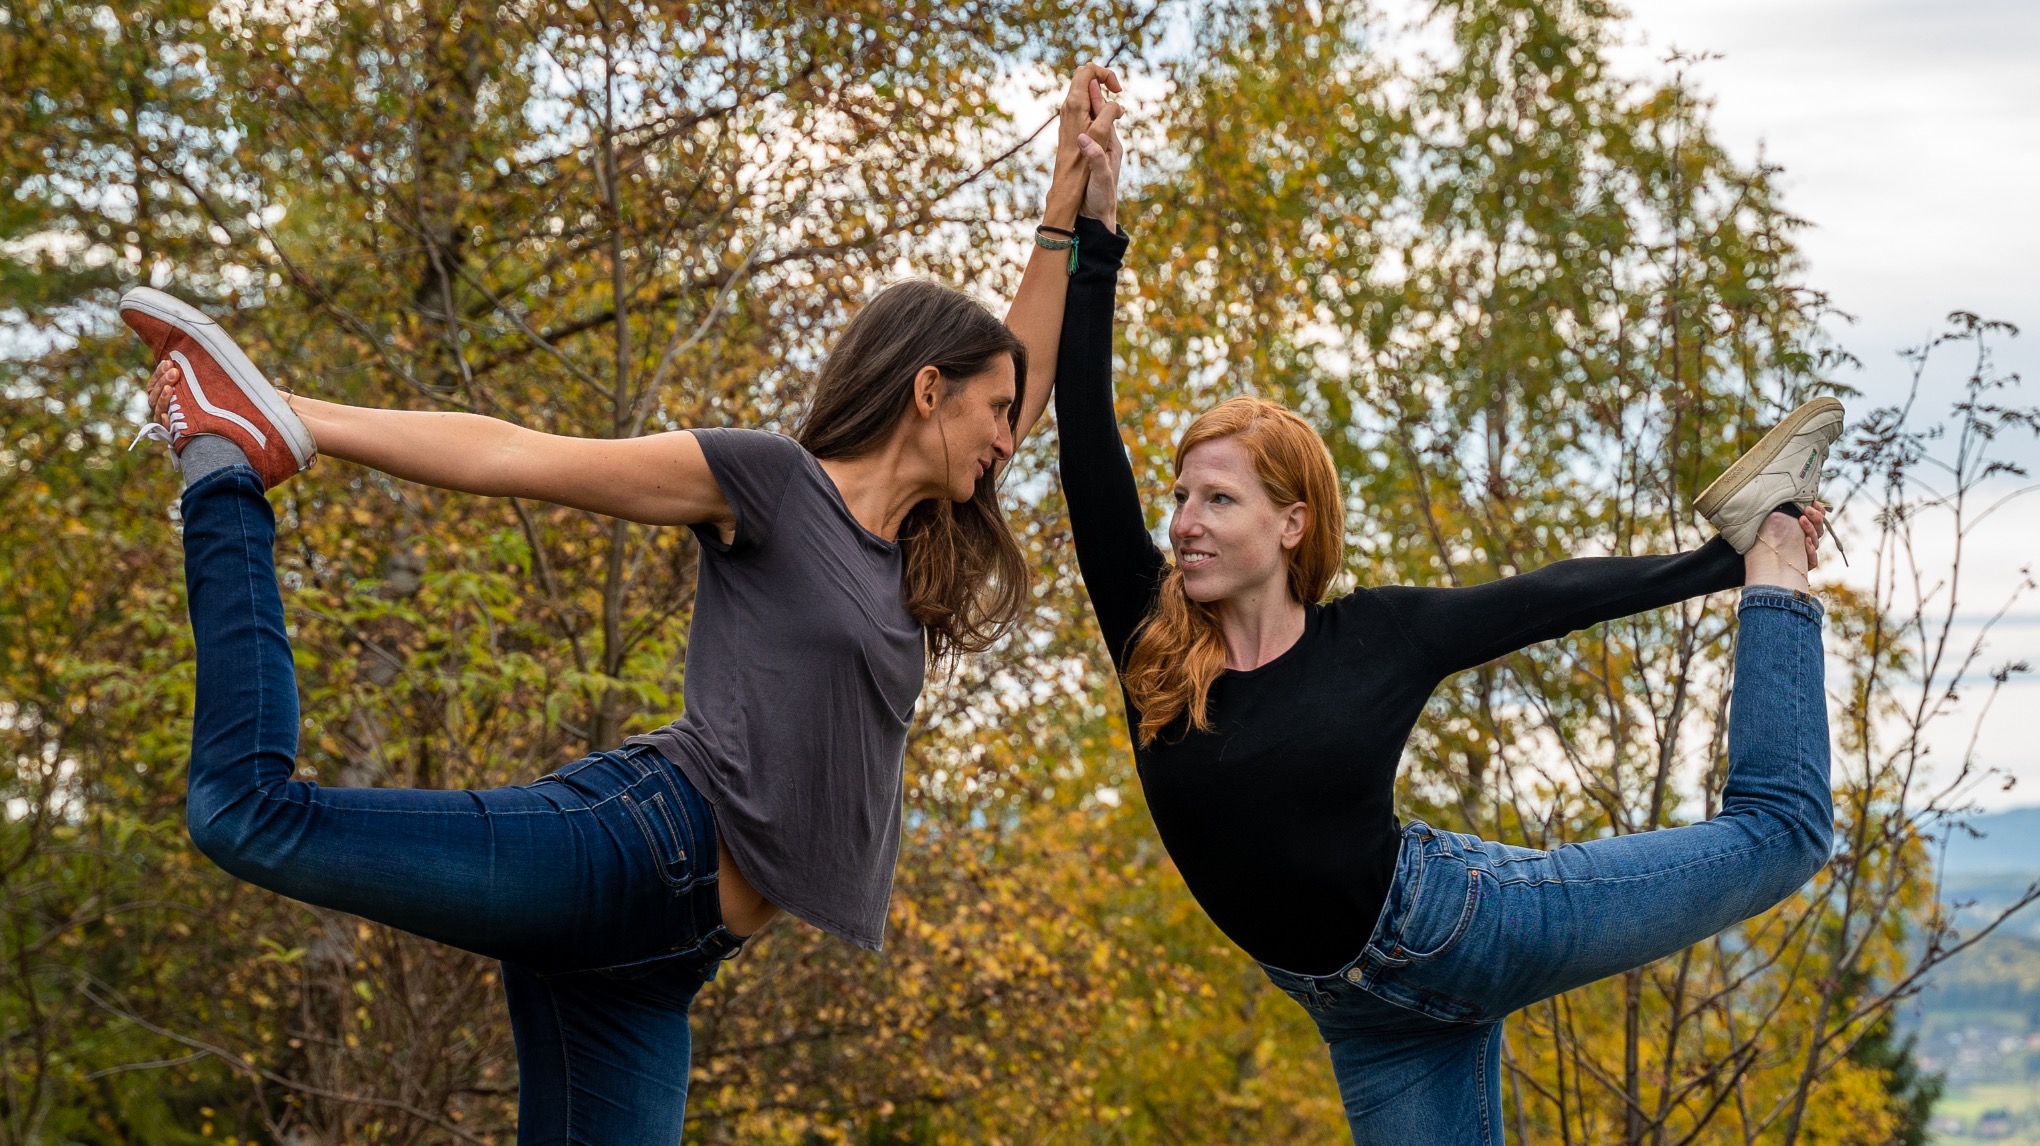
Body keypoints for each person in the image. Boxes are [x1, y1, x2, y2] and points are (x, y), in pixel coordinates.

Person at [115, 67, 1125, 1144]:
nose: (1012, 438)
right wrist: (293, 416)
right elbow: (524, 456)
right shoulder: (773, 483)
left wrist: (1067, 202)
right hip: (633, 847)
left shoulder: (913, 548)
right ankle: (227, 463)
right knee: (243, 815)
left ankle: (243, 430)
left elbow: (1021, 353)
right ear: (928, 389)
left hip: (656, 966)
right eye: (999, 414)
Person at [1052, 210, 1843, 1142]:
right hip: (1368, 1024)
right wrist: (1091, 234)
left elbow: (1548, 599)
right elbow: (1087, 441)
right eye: (1181, 496)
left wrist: (1729, 561)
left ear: (1292, 524)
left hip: (1466, 928)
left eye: (1219, 499)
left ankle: (1779, 563)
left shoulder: (1377, 636)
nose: (1185, 520)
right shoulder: (1153, 647)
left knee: (1786, 830)